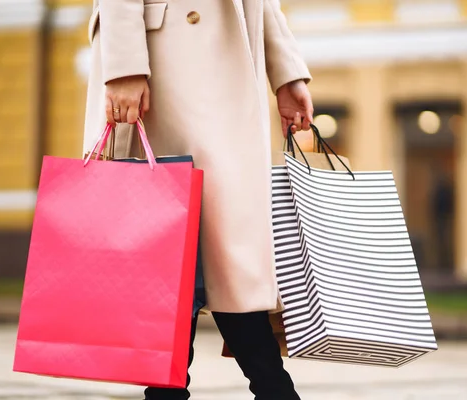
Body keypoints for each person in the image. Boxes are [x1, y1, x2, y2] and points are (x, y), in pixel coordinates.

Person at [83, 1, 314, 399]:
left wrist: (285, 70)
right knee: (174, 255)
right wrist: (123, 64)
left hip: (231, 58)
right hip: (164, 59)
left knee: (224, 254)